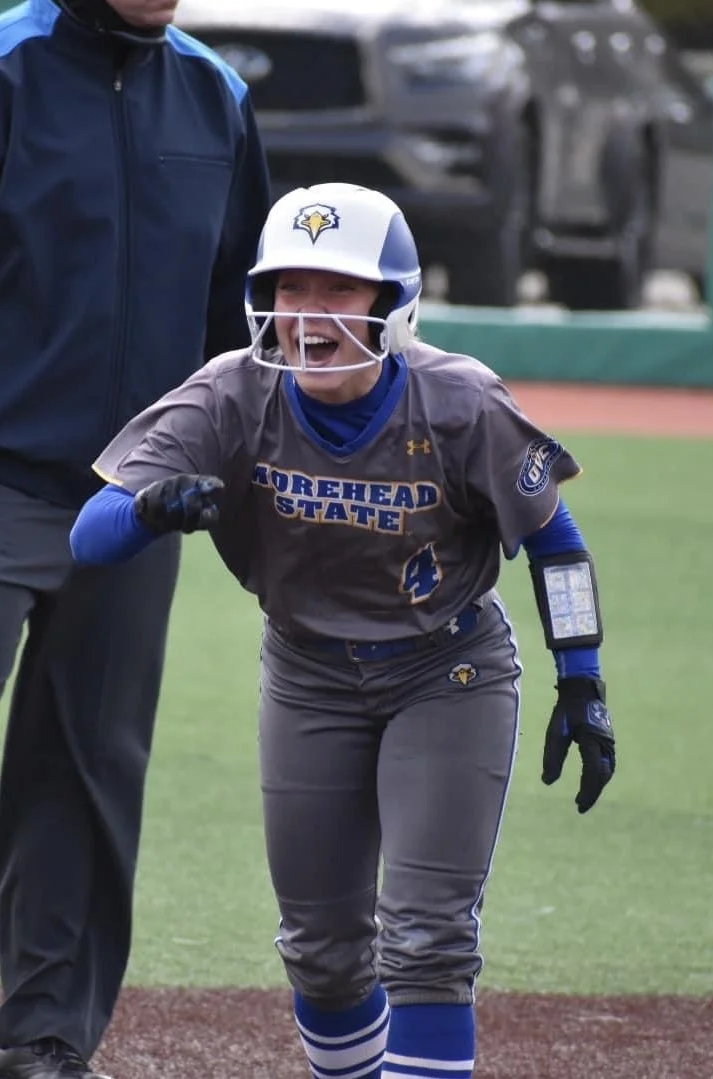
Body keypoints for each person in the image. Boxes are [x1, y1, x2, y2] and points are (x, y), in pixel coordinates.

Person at [70, 182, 616, 1079]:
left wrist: (582, 677)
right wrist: (152, 509)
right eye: (289, 288)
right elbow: (91, 537)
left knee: (427, 938)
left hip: (447, 671)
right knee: (320, 950)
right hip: (307, 673)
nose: (307, 313)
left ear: (391, 304)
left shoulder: (458, 401)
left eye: (337, 289)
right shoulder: (232, 392)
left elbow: (555, 542)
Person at [0, 0, 270, 1074]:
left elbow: (238, 319)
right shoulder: (9, 67)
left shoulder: (217, 95)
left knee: (86, 770)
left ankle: (42, 1038)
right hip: (4, 478)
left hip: (138, 502)